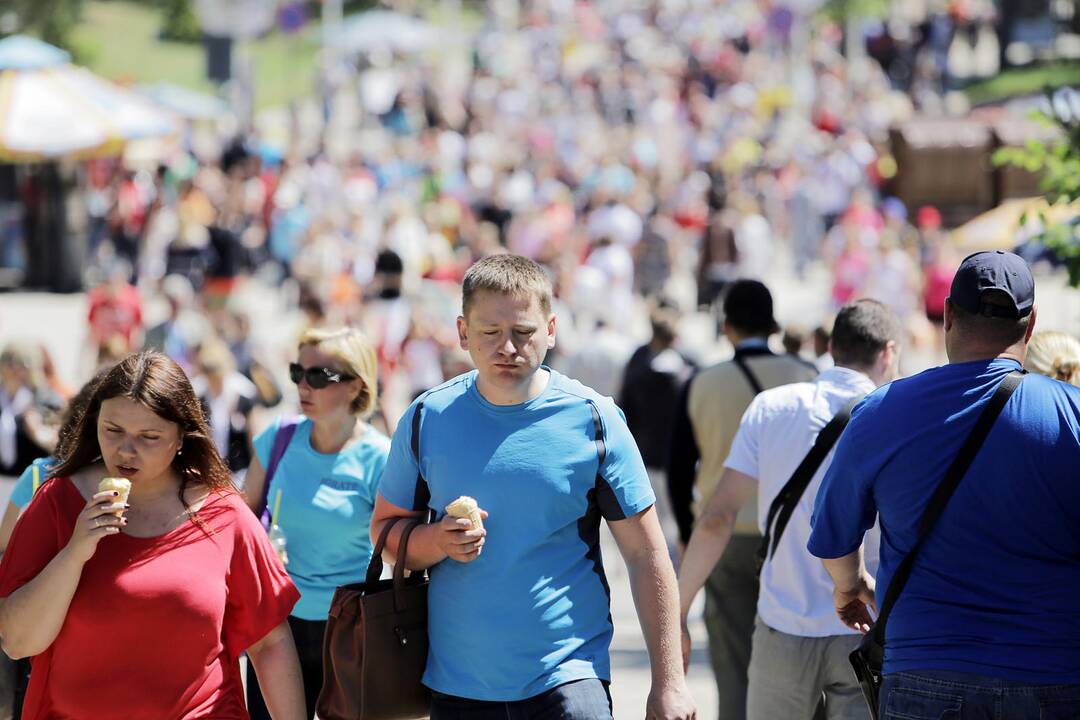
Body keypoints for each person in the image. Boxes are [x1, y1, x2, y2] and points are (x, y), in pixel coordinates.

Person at [370, 254, 695, 719]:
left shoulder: (595, 419)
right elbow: (384, 534)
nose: (508, 347)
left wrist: (669, 683)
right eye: (490, 333)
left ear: (551, 330)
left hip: (569, 677)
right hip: (459, 686)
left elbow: (646, 555)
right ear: (463, 333)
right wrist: (436, 541)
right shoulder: (426, 418)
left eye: (523, 332)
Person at [809, 251, 1080, 718]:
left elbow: (833, 541)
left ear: (949, 313)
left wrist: (850, 587)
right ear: (1030, 323)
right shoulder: (1071, 414)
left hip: (924, 671)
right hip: (1053, 673)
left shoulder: (881, 412)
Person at [0, 351, 305, 720]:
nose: (126, 450)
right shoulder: (56, 502)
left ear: (181, 437)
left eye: (149, 437)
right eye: (113, 431)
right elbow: (18, 642)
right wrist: (75, 553)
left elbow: (270, 640)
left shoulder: (223, 512)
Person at [678, 300, 903, 720]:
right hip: (868, 626)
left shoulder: (773, 407)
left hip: (782, 625)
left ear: (833, 347)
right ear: (888, 352)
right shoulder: (898, 414)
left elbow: (716, 518)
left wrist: (678, 610)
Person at [667, 279, 817, 720]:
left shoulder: (702, 382)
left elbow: (679, 470)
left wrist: (688, 533)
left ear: (726, 326)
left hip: (724, 535)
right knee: (802, 662)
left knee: (733, 665)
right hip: (794, 537)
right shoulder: (806, 375)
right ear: (772, 324)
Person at [243, 327, 390, 720]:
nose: (302, 386)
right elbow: (240, 519)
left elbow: (395, 541)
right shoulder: (279, 437)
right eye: (297, 372)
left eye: (317, 376)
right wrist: (262, 544)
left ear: (356, 386)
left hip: (348, 629)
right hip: (277, 623)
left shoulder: (381, 458)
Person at [618, 304, 696, 553]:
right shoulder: (689, 365)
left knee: (657, 518)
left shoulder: (639, 363)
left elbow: (625, 407)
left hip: (649, 452)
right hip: (677, 454)